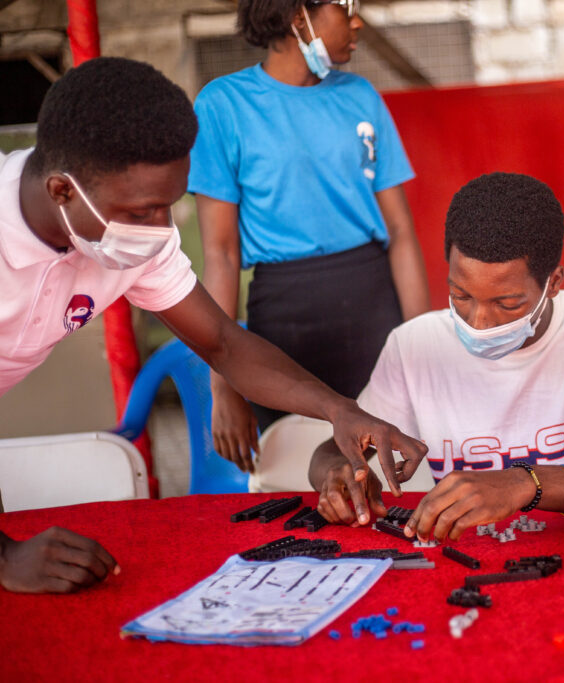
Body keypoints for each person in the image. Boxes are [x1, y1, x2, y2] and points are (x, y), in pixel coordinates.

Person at [0, 57, 425, 593]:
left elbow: (223, 343)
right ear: (63, 191)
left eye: (170, 207)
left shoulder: (131, 239)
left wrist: (340, 411)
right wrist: (4, 556)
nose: (161, 229)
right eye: (142, 212)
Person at [308, 172, 564, 537]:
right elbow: (336, 449)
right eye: (460, 296)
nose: (480, 322)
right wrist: (338, 474)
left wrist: (523, 484)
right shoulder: (413, 345)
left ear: (554, 283)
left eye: (508, 302)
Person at [189, 0, 430, 472]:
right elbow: (220, 254)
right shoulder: (223, 105)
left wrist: (421, 347)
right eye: (347, 8)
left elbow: (401, 232)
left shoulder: (360, 96)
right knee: (295, 472)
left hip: (373, 307)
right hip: (283, 320)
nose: (357, 21)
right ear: (299, 16)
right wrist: (225, 383)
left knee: (386, 473)